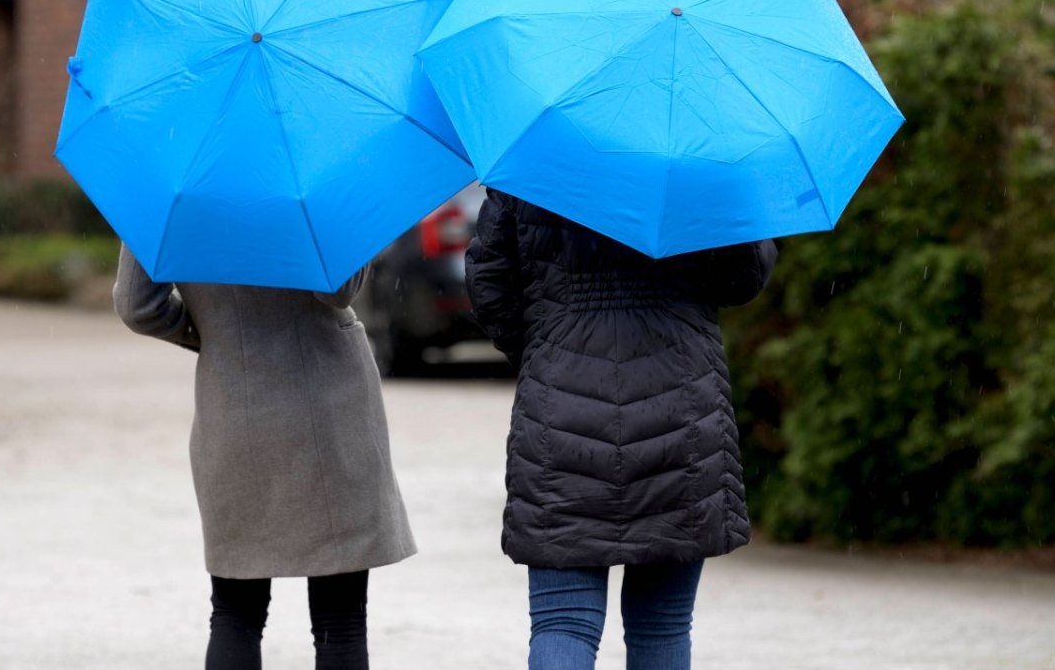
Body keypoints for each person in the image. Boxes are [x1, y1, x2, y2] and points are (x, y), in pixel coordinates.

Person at [464, 189, 777, 670]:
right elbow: (741, 279)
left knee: (562, 621)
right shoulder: (701, 158)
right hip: (680, 407)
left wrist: (549, 352)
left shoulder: (530, 161)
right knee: (663, 625)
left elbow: (491, 287)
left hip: (560, 412)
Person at [113, 245, 415, 670]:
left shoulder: (166, 181)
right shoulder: (315, 175)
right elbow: (339, 289)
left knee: (235, 614)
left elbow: (136, 305)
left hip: (233, 404)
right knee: (340, 621)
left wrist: (214, 334)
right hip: (328, 403)